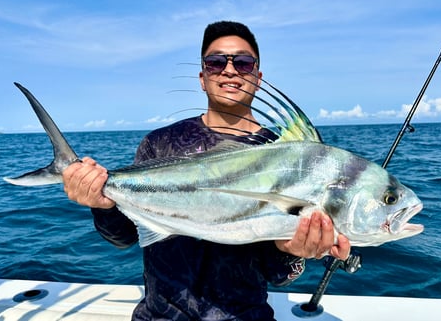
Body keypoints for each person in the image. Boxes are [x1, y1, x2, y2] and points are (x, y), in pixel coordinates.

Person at [63, 20, 351, 321]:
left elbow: (278, 276)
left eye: (243, 62)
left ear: (258, 76)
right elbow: (122, 237)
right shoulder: (160, 143)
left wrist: (292, 249)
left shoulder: (290, 154)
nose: (229, 70)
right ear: (202, 77)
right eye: (215, 63)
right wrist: (100, 203)